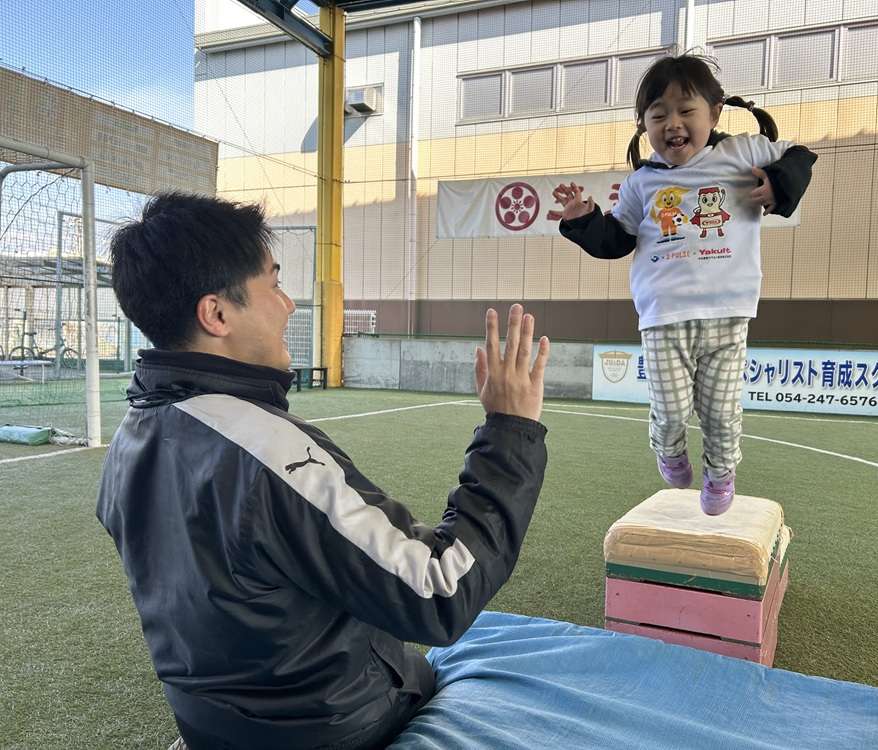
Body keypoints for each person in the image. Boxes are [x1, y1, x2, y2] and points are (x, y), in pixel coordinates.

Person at [96, 192, 550, 750]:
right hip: (329, 727)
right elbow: (438, 589)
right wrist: (510, 429)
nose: (288, 305)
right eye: (273, 285)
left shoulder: (128, 440)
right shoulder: (263, 449)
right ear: (217, 314)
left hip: (210, 724)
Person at [554, 54, 816, 515]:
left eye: (685, 111)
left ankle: (721, 473)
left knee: (721, 413)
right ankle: (669, 450)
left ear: (714, 113)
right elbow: (616, 239)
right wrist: (583, 220)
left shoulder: (743, 152)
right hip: (664, 317)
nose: (672, 124)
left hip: (728, 314)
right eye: (658, 115)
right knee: (671, 411)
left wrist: (780, 184)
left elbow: (799, 155)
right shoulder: (642, 182)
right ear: (644, 125)